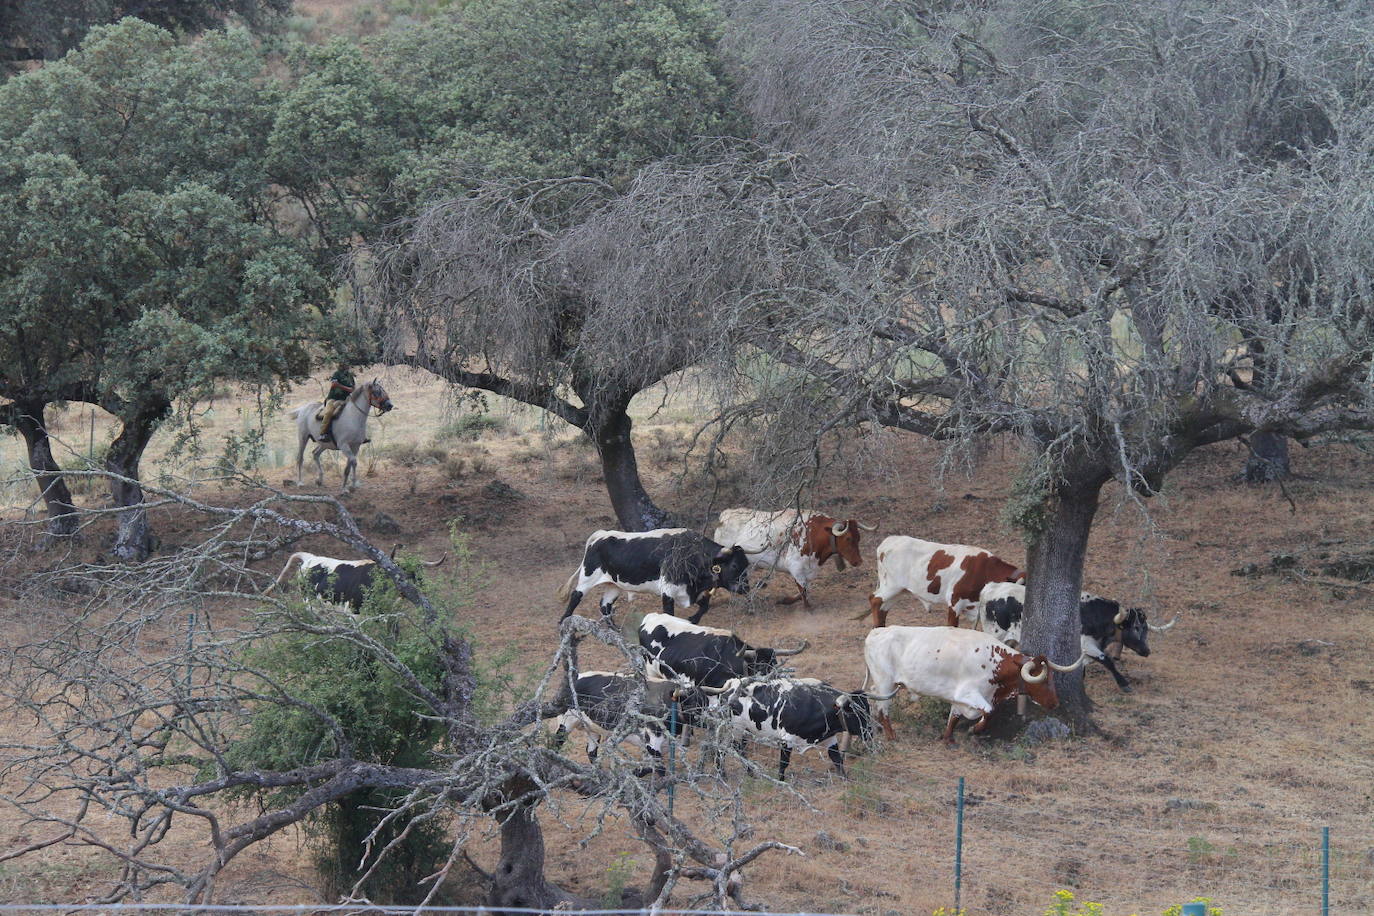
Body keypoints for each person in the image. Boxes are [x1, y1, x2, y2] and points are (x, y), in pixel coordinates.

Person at [316, 362, 355, 443]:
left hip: (345, 399)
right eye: (343, 364)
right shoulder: (336, 374)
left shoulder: (350, 376)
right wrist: (347, 388)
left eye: (346, 364)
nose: (345, 366)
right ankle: (322, 433)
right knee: (329, 412)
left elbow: (352, 389)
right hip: (333, 398)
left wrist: (340, 386)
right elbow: (334, 385)